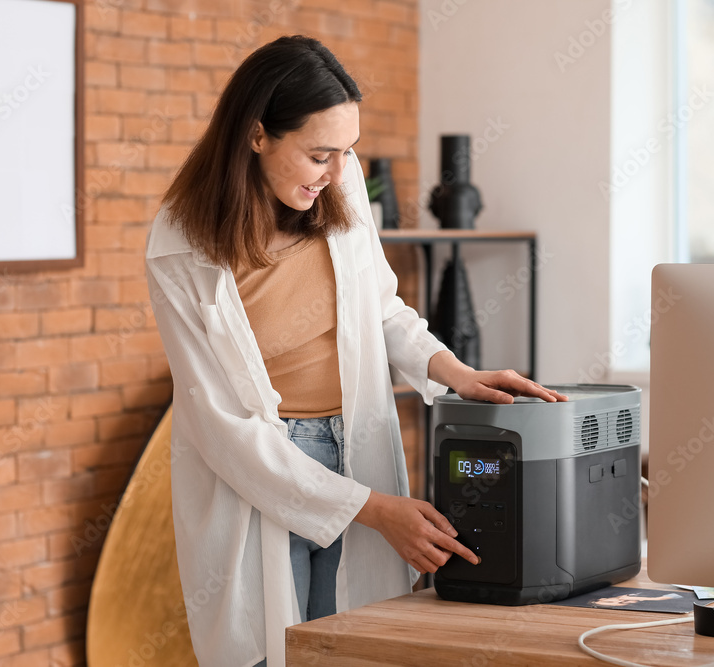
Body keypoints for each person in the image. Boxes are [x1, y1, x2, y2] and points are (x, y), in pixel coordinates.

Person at [144, 34, 567, 667]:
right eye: (320, 154)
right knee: (269, 650)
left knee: (356, 648)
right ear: (257, 135)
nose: (339, 172)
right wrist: (370, 509)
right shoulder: (181, 245)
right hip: (261, 470)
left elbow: (382, 308)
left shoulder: (341, 184)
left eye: (348, 150)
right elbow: (220, 425)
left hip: (354, 442)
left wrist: (456, 372)